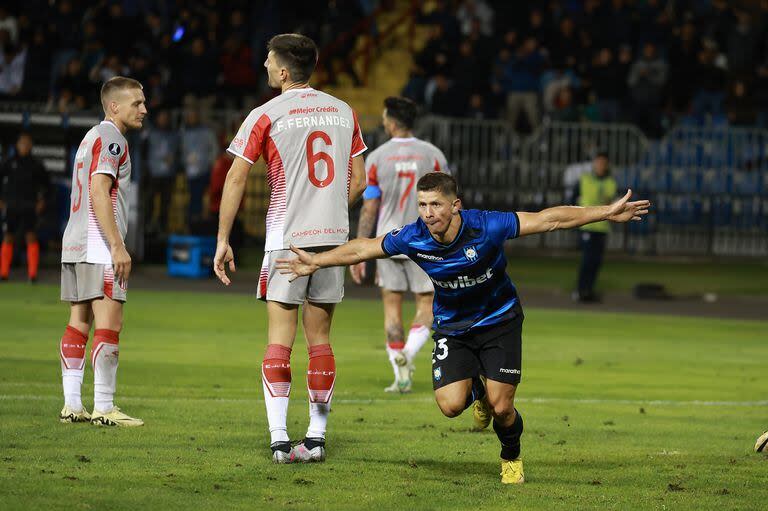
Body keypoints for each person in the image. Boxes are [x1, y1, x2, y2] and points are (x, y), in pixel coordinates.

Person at [276, 172, 650, 483]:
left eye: (435, 204)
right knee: (451, 406)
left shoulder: (486, 226)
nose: (428, 213)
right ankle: (477, 388)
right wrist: (317, 262)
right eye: (422, 205)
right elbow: (364, 248)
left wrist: (605, 213)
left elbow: (549, 219)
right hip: (454, 329)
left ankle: (510, 456)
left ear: (456, 205)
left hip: (499, 320)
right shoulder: (414, 237)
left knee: (503, 409)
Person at [213, 33, 367, 464]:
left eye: (267, 60)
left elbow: (237, 177)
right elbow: (360, 181)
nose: (263, 65)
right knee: (320, 340)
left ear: (283, 71)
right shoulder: (344, 111)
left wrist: (223, 239)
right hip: (334, 241)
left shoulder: (266, 114)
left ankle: (280, 439)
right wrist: (333, 211)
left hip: (287, 242)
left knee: (280, 341)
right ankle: (316, 439)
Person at [59, 76, 147, 427]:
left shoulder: (90, 137)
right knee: (110, 325)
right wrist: (117, 246)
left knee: (78, 323)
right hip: (99, 247)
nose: (144, 109)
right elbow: (99, 190)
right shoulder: (113, 139)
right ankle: (105, 408)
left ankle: (72, 405)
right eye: (137, 103)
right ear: (114, 106)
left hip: (75, 242)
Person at [351, 96, 449, 393]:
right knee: (427, 304)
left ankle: (400, 376)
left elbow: (369, 208)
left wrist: (360, 251)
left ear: (392, 121)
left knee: (391, 307)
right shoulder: (433, 155)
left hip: (389, 241)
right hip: (427, 239)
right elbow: (448, 202)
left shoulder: (378, 157)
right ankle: (409, 352)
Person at [0, 132, 49, 282]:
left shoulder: (36, 164)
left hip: (29, 206)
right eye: (22, 143)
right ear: (17, 145)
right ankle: (4, 273)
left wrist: (42, 201)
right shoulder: (9, 162)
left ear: (31, 146)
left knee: (31, 237)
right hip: (12, 205)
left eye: (27, 143)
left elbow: (47, 186)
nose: (24, 146)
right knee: (8, 237)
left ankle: (32, 274)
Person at [572, 152, 617, 303]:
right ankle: (580, 290)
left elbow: (612, 202)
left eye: (603, 163)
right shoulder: (585, 179)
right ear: (594, 164)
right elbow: (572, 199)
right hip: (586, 225)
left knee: (596, 261)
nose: (600, 165)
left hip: (602, 227)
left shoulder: (610, 182)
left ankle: (588, 291)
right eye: (598, 162)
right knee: (587, 260)